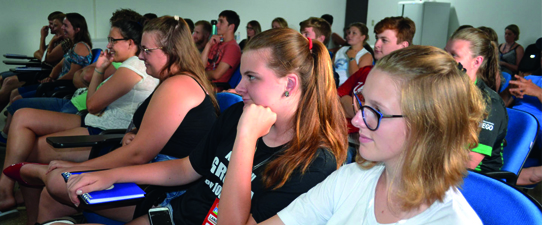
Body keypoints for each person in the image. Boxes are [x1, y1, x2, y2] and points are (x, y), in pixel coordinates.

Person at [44, 28, 347, 225]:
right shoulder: (236, 114)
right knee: (60, 194)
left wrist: (245, 138)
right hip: (178, 214)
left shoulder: (314, 162)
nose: (238, 88)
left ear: (289, 85)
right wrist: (108, 175)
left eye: (252, 77)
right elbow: (183, 169)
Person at [4, 16, 219, 225]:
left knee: (60, 181)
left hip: (169, 192)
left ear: (172, 51)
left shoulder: (178, 86)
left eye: (146, 50)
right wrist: (131, 134)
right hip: (154, 175)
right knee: (53, 195)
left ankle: (42, 174)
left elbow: (138, 154)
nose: (141, 56)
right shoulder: (172, 80)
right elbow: (147, 132)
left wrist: (80, 168)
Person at [262, 46, 484, 225]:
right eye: (363, 102)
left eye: (377, 111)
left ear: (428, 127)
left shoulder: (452, 220)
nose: (357, 120)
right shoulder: (351, 178)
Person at [0, 18, 161, 221]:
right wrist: (100, 69)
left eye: (113, 40)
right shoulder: (127, 65)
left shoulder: (134, 67)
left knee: (28, 151)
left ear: (130, 42)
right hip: (95, 120)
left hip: (105, 131)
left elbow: (92, 103)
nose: (108, 45)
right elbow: (90, 101)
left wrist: (100, 70)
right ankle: (6, 191)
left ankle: (13, 199)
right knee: (22, 116)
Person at [0, 13, 93, 112]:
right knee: (14, 93)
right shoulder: (73, 45)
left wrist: (53, 82)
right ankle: (9, 125)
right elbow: (58, 65)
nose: (62, 27)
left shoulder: (80, 47)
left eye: (65, 25)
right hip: (56, 82)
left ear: (77, 29)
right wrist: (51, 77)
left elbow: (72, 74)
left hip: (63, 85)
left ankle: (11, 125)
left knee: (16, 99)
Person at [445, 27, 508, 172]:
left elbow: (467, 163)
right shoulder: (445, 91)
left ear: (476, 62)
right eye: (445, 52)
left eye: (454, 55)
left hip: (475, 179)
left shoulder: (489, 104)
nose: (445, 59)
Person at [337, 16, 415, 121]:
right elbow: (335, 99)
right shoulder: (366, 71)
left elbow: (377, 117)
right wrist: (359, 107)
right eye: (377, 38)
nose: (377, 45)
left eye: (384, 40)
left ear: (403, 46)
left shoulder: (405, 80)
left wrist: (346, 100)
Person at [201, 10, 242, 87]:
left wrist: (199, 75)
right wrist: (208, 44)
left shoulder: (233, 48)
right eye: (218, 21)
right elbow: (200, 66)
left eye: (221, 22)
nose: (217, 25)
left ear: (231, 27)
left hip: (215, 89)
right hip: (204, 84)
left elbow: (217, 74)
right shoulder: (215, 43)